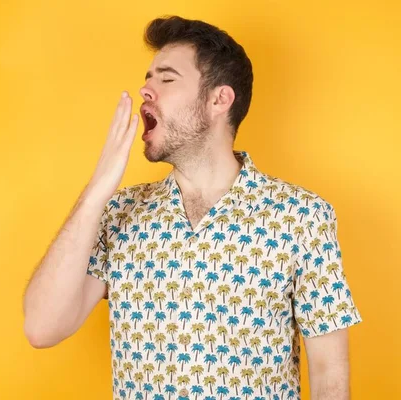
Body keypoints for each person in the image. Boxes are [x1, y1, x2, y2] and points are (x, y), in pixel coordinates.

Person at [23, 15, 363, 400]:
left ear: (219, 99)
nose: (146, 90)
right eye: (148, 79)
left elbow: (328, 371)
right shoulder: (119, 213)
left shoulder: (302, 216)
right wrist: (98, 189)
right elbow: (41, 327)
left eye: (166, 79)